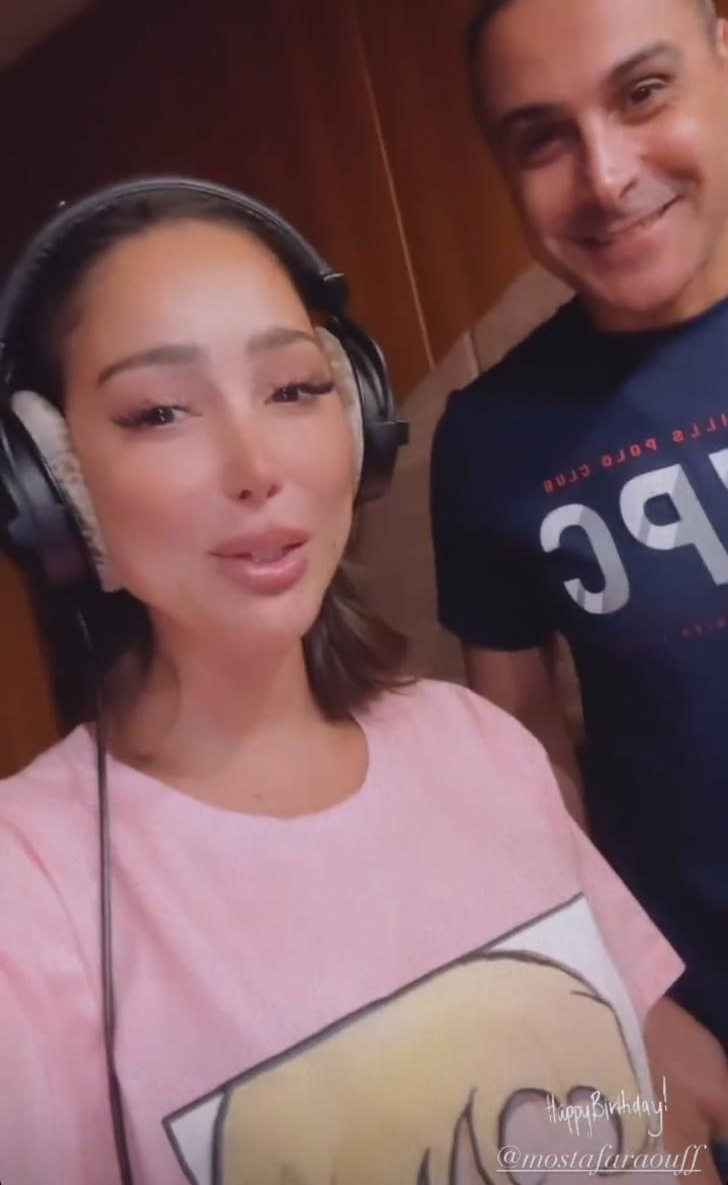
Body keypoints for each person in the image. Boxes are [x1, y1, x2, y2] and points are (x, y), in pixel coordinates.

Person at [0, 177, 723, 1185]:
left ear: (360, 418)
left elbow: (652, 1081)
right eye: (160, 411)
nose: (256, 463)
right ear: (52, 486)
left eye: (294, 388)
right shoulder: (27, 891)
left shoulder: (472, 741)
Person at [430, 0, 728, 1055]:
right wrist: (632, 1001)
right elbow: (523, 753)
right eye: (540, 138)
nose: (604, 176)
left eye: (641, 92)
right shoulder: (488, 438)